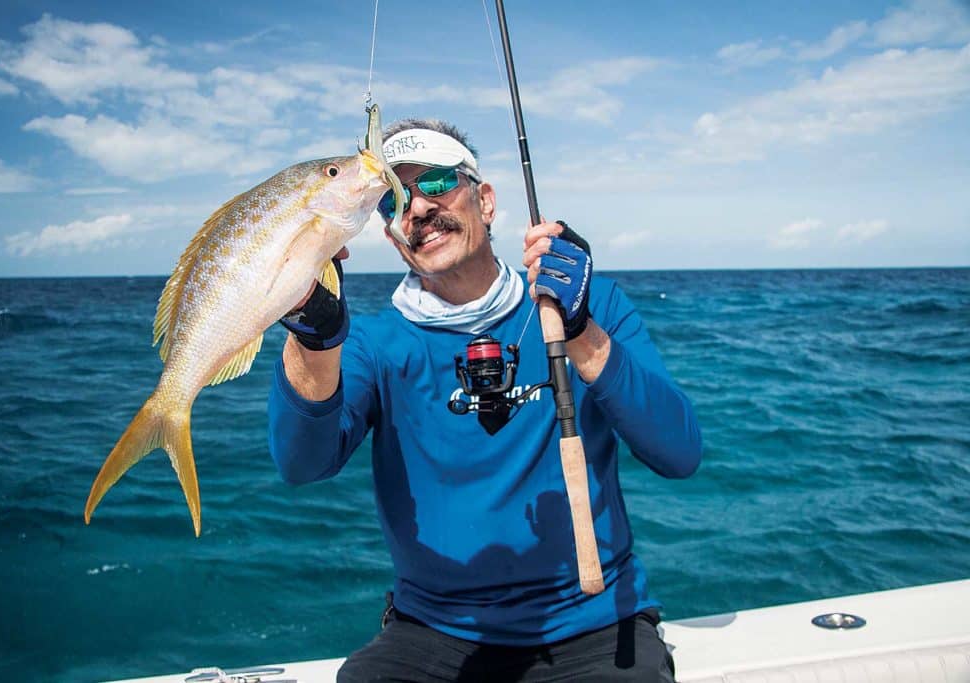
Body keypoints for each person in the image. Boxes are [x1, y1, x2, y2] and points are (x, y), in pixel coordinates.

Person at [268, 118, 702, 682]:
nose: (418, 208)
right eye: (396, 200)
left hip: (594, 623)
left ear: (487, 200)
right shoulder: (374, 344)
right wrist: (313, 338)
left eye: (439, 182)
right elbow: (302, 465)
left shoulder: (591, 304)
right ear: (392, 235)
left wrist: (580, 332)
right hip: (434, 631)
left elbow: (680, 452)